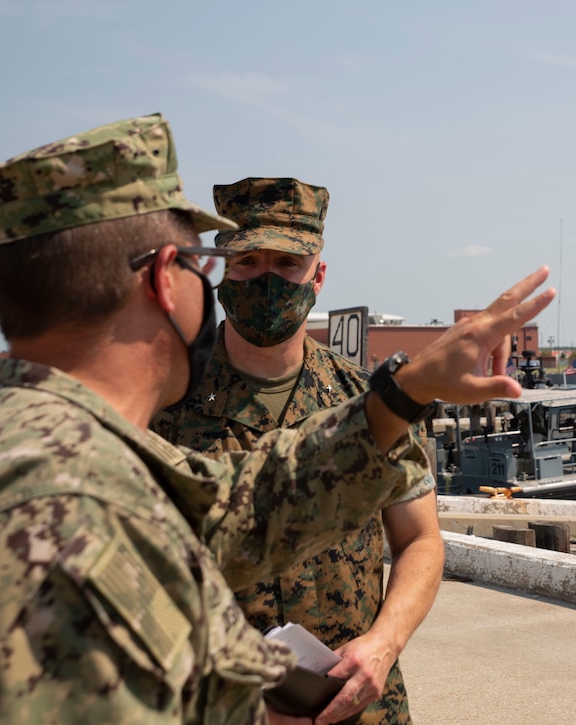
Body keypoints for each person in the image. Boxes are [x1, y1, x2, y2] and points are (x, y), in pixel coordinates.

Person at [0, 113, 555, 725]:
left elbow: (229, 514)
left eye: (285, 264)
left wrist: (404, 392)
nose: (254, 282)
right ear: (165, 278)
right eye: (207, 262)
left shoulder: (45, 446)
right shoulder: (47, 497)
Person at [152, 176, 442, 725]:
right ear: (221, 271)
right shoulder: (163, 401)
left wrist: (384, 642)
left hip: (355, 702)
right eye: (248, 262)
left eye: (287, 265)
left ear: (318, 276)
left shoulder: (369, 405)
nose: (267, 280)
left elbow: (419, 539)